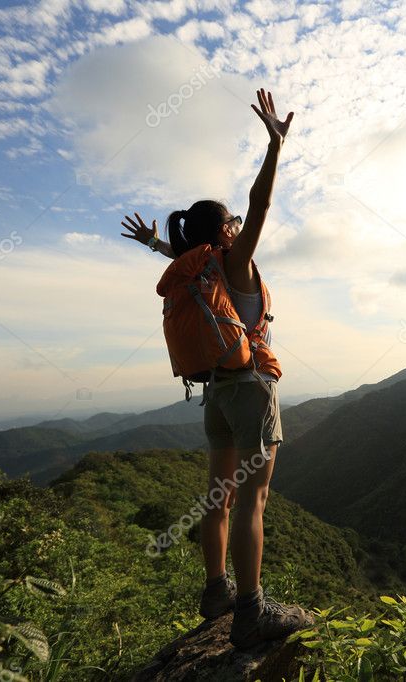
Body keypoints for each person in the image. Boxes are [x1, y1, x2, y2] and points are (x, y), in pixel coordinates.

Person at [120, 87, 313, 649]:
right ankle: (252, 611)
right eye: (231, 224)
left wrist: (158, 242)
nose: (237, 228)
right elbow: (261, 206)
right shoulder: (236, 262)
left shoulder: (194, 269)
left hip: (216, 397)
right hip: (252, 390)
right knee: (253, 499)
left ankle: (216, 591)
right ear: (226, 232)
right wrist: (275, 146)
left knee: (217, 498)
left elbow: (183, 254)